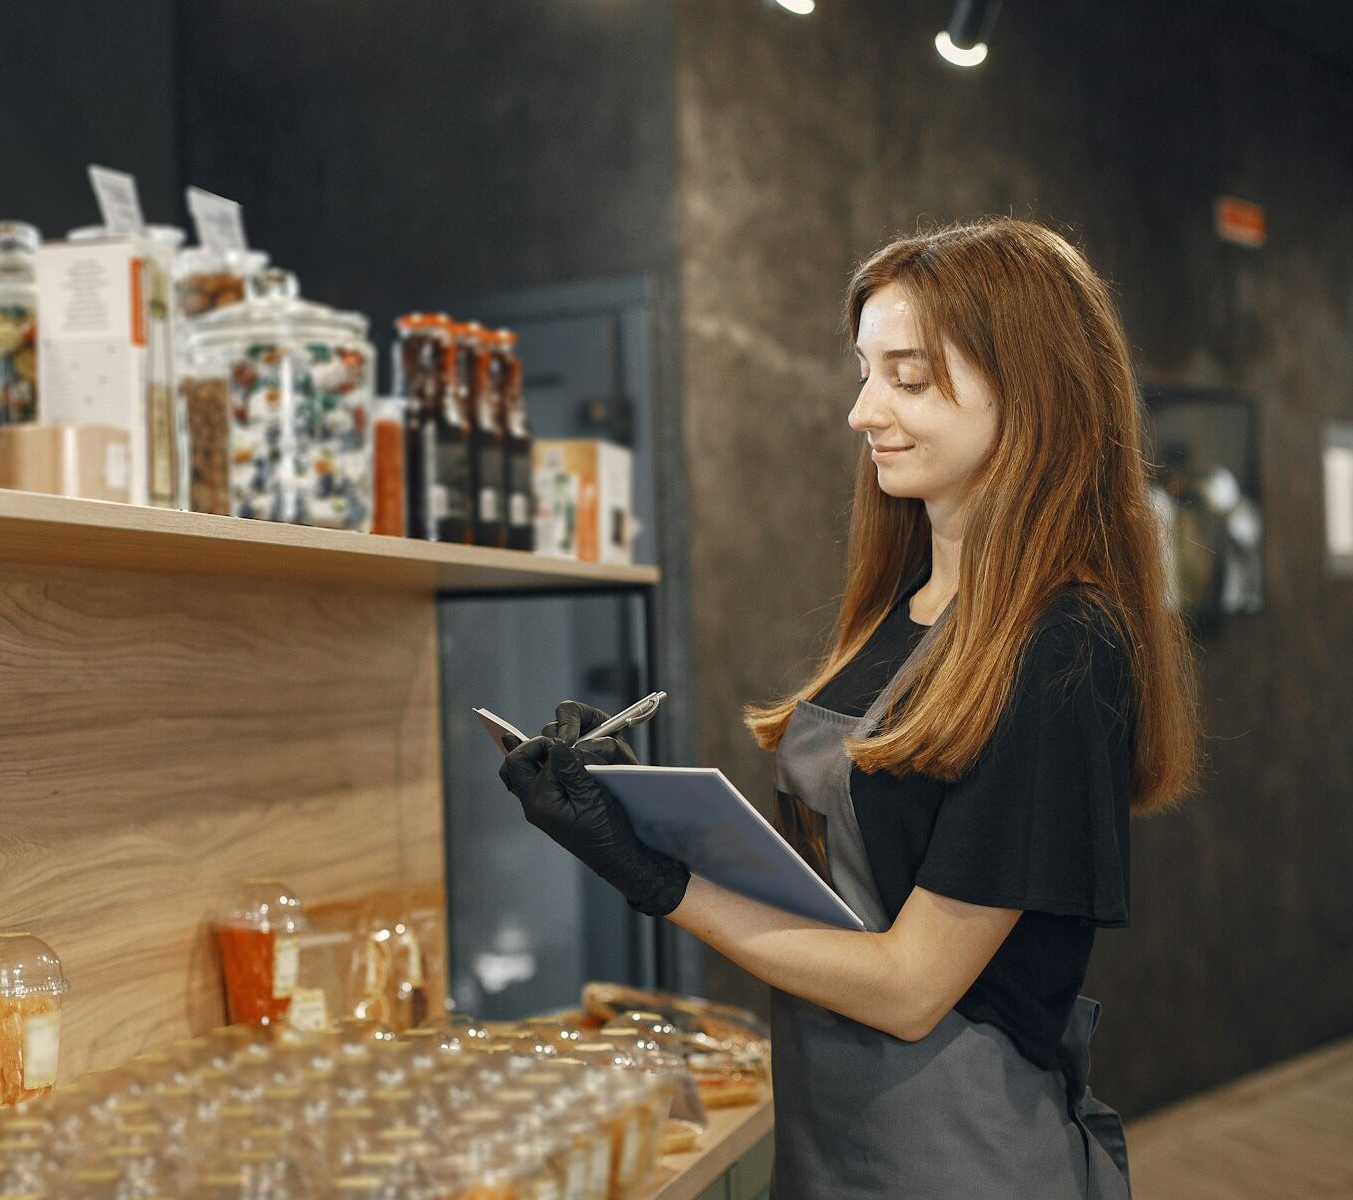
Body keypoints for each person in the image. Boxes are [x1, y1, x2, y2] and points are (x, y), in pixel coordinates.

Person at [499, 217, 1201, 1198]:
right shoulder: (905, 607)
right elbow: (847, 889)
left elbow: (912, 987)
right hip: (834, 1134)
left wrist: (663, 883)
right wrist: (632, 806)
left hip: (960, 1157)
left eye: (905, 377)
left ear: (1032, 391)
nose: (862, 411)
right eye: (862, 372)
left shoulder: (1059, 649)